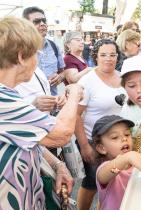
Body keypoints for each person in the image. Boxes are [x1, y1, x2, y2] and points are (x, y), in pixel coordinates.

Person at [0, 17, 83, 209]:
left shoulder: (8, 95)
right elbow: (61, 133)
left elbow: (27, 137)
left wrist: (56, 164)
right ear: (22, 56)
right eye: (36, 54)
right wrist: (74, 93)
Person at [75, 39, 126, 210]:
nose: (108, 59)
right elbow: (76, 115)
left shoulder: (122, 77)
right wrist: (84, 146)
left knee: (112, 180)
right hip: (93, 141)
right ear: (96, 56)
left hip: (117, 142)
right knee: (91, 182)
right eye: (103, 55)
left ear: (117, 56)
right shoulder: (87, 81)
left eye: (112, 55)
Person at [93, 115, 141, 210]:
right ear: (102, 148)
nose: (124, 139)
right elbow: (105, 174)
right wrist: (127, 157)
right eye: (114, 137)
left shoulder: (138, 162)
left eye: (127, 134)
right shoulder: (112, 169)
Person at [23, 6, 65, 96]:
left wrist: (60, 77)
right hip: (29, 107)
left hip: (53, 105)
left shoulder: (54, 46)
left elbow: (63, 71)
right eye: (36, 21)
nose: (42, 24)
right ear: (26, 26)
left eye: (44, 20)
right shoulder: (18, 49)